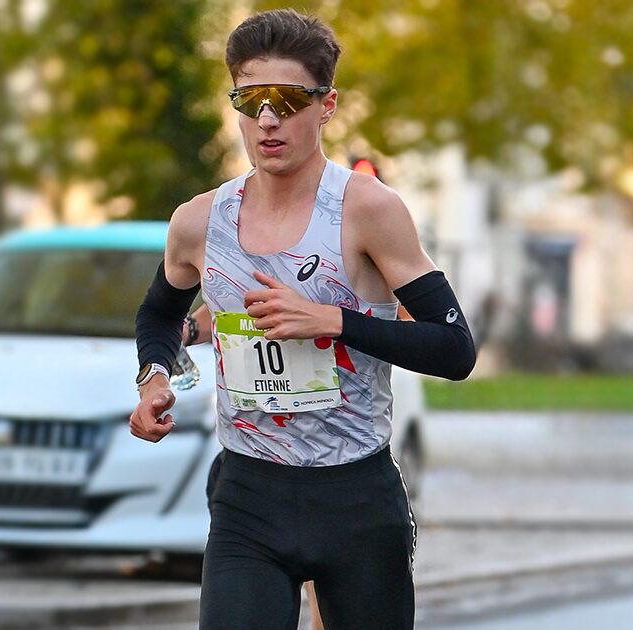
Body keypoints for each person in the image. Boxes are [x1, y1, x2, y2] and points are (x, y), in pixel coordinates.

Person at [132, 9, 476, 629]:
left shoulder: (367, 209)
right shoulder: (199, 221)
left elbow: (455, 350)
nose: (267, 118)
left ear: (327, 105)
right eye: (251, 99)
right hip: (248, 496)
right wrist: (154, 374)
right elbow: (159, 314)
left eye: (289, 100)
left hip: (355, 498)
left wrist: (332, 321)